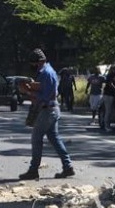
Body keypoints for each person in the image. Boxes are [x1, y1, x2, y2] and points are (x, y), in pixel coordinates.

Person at [19, 49, 74, 180]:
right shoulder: (46, 72)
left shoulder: (47, 73)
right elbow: (44, 88)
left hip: (47, 109)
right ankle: (67, 166)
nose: (33, 66)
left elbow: (46, 95)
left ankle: (33, 170)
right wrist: (31, 87)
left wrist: (28, 91)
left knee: (36, 139)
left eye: (35, 63)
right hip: (51, 109)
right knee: (54, 138)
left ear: (41, 61)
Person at [102, 65, 115, 132]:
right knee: (108, 111)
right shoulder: (109, 76)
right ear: (111, 69)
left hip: (112, 95)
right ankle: (106, 126)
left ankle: (108, 125)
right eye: (114, 69)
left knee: (110, 111)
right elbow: (110, 84)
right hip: (108, 95)